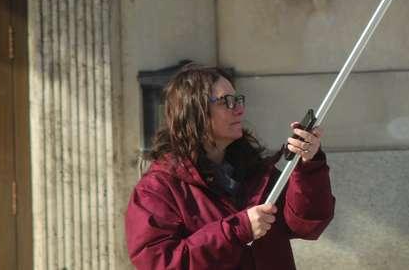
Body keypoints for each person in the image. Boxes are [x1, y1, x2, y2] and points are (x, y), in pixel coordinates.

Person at [125, 64, 335, 269]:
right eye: (227, 102)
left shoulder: (256, 172)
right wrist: (237, 230)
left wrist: (309, 165)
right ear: (194, 112)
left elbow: (307, 224)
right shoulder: (157, 189)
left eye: (238, 100)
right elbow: (160, 262)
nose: (240, 110)